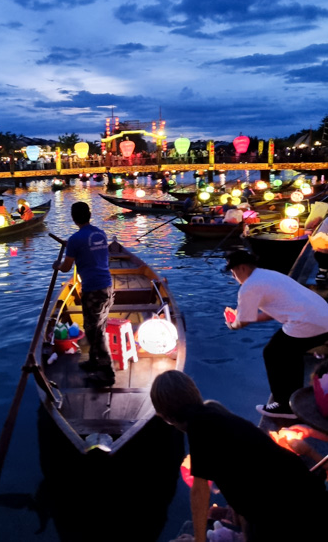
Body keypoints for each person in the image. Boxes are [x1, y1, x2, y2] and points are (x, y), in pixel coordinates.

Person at [150, 370, 327, 542]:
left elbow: (199, 492)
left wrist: (199, 539)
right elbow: (241, 463)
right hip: (304, 489)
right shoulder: (214, 410)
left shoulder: (199, 427)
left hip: (290, 513)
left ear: (167, 416)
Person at [223, 249, 328, 418]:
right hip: (323, 318)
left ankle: (283, 405)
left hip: (307, 323)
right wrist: (242, 317)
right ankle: (295, 399)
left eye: (233, 273)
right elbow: (269, 313)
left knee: (272, 353)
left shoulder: (249, 286)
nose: (234, 278)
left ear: (241, 268)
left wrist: (232, 324)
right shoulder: (267, 275)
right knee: (291, 351)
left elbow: (242, 322)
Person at [52, 201, 115, 387]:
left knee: (94, 332)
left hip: (93, 289)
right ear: (89, 215)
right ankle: (94, 361)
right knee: (98, 327)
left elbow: (65, 268)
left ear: (73, 217)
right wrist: (71, 246)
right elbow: (90, 249)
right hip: (107, 287)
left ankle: (107, 374)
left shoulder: (76, 239)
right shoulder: (99, 233)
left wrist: (56, 265)